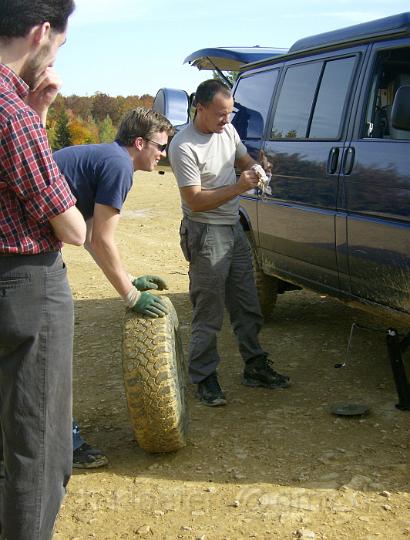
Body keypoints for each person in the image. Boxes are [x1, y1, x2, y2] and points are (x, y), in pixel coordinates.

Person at [0, 1, 87, 538]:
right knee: (40, 446)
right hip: (26, 284)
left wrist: (39, 112)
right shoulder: (10, 114)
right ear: (41, 32)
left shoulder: (16, 111)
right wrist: (33, 119)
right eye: (58, 43)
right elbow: (73, 228)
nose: (55, 53)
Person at [53, 107, 175, 466]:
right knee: (46, 357)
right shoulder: (119, 165)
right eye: (159, 146)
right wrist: (131, 295)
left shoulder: (104, 157)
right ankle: (65, 444)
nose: (162, 153)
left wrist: (128, 277)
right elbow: (103, 241)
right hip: (21, 255)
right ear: (139, 142)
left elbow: (90, 238)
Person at [168, 79, 290, 407]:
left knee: (247, 303)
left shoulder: (228, 131)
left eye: (230, 112)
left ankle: (255, 366)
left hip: (233, 229)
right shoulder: (183, 146)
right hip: (206, 233)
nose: (227, 120)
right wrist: (239, 187)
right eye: (221, 114)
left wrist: (256, 170)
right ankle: (204, 377)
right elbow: (195, 201)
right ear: (200, 108)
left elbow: (243, 159)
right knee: (209, 311)